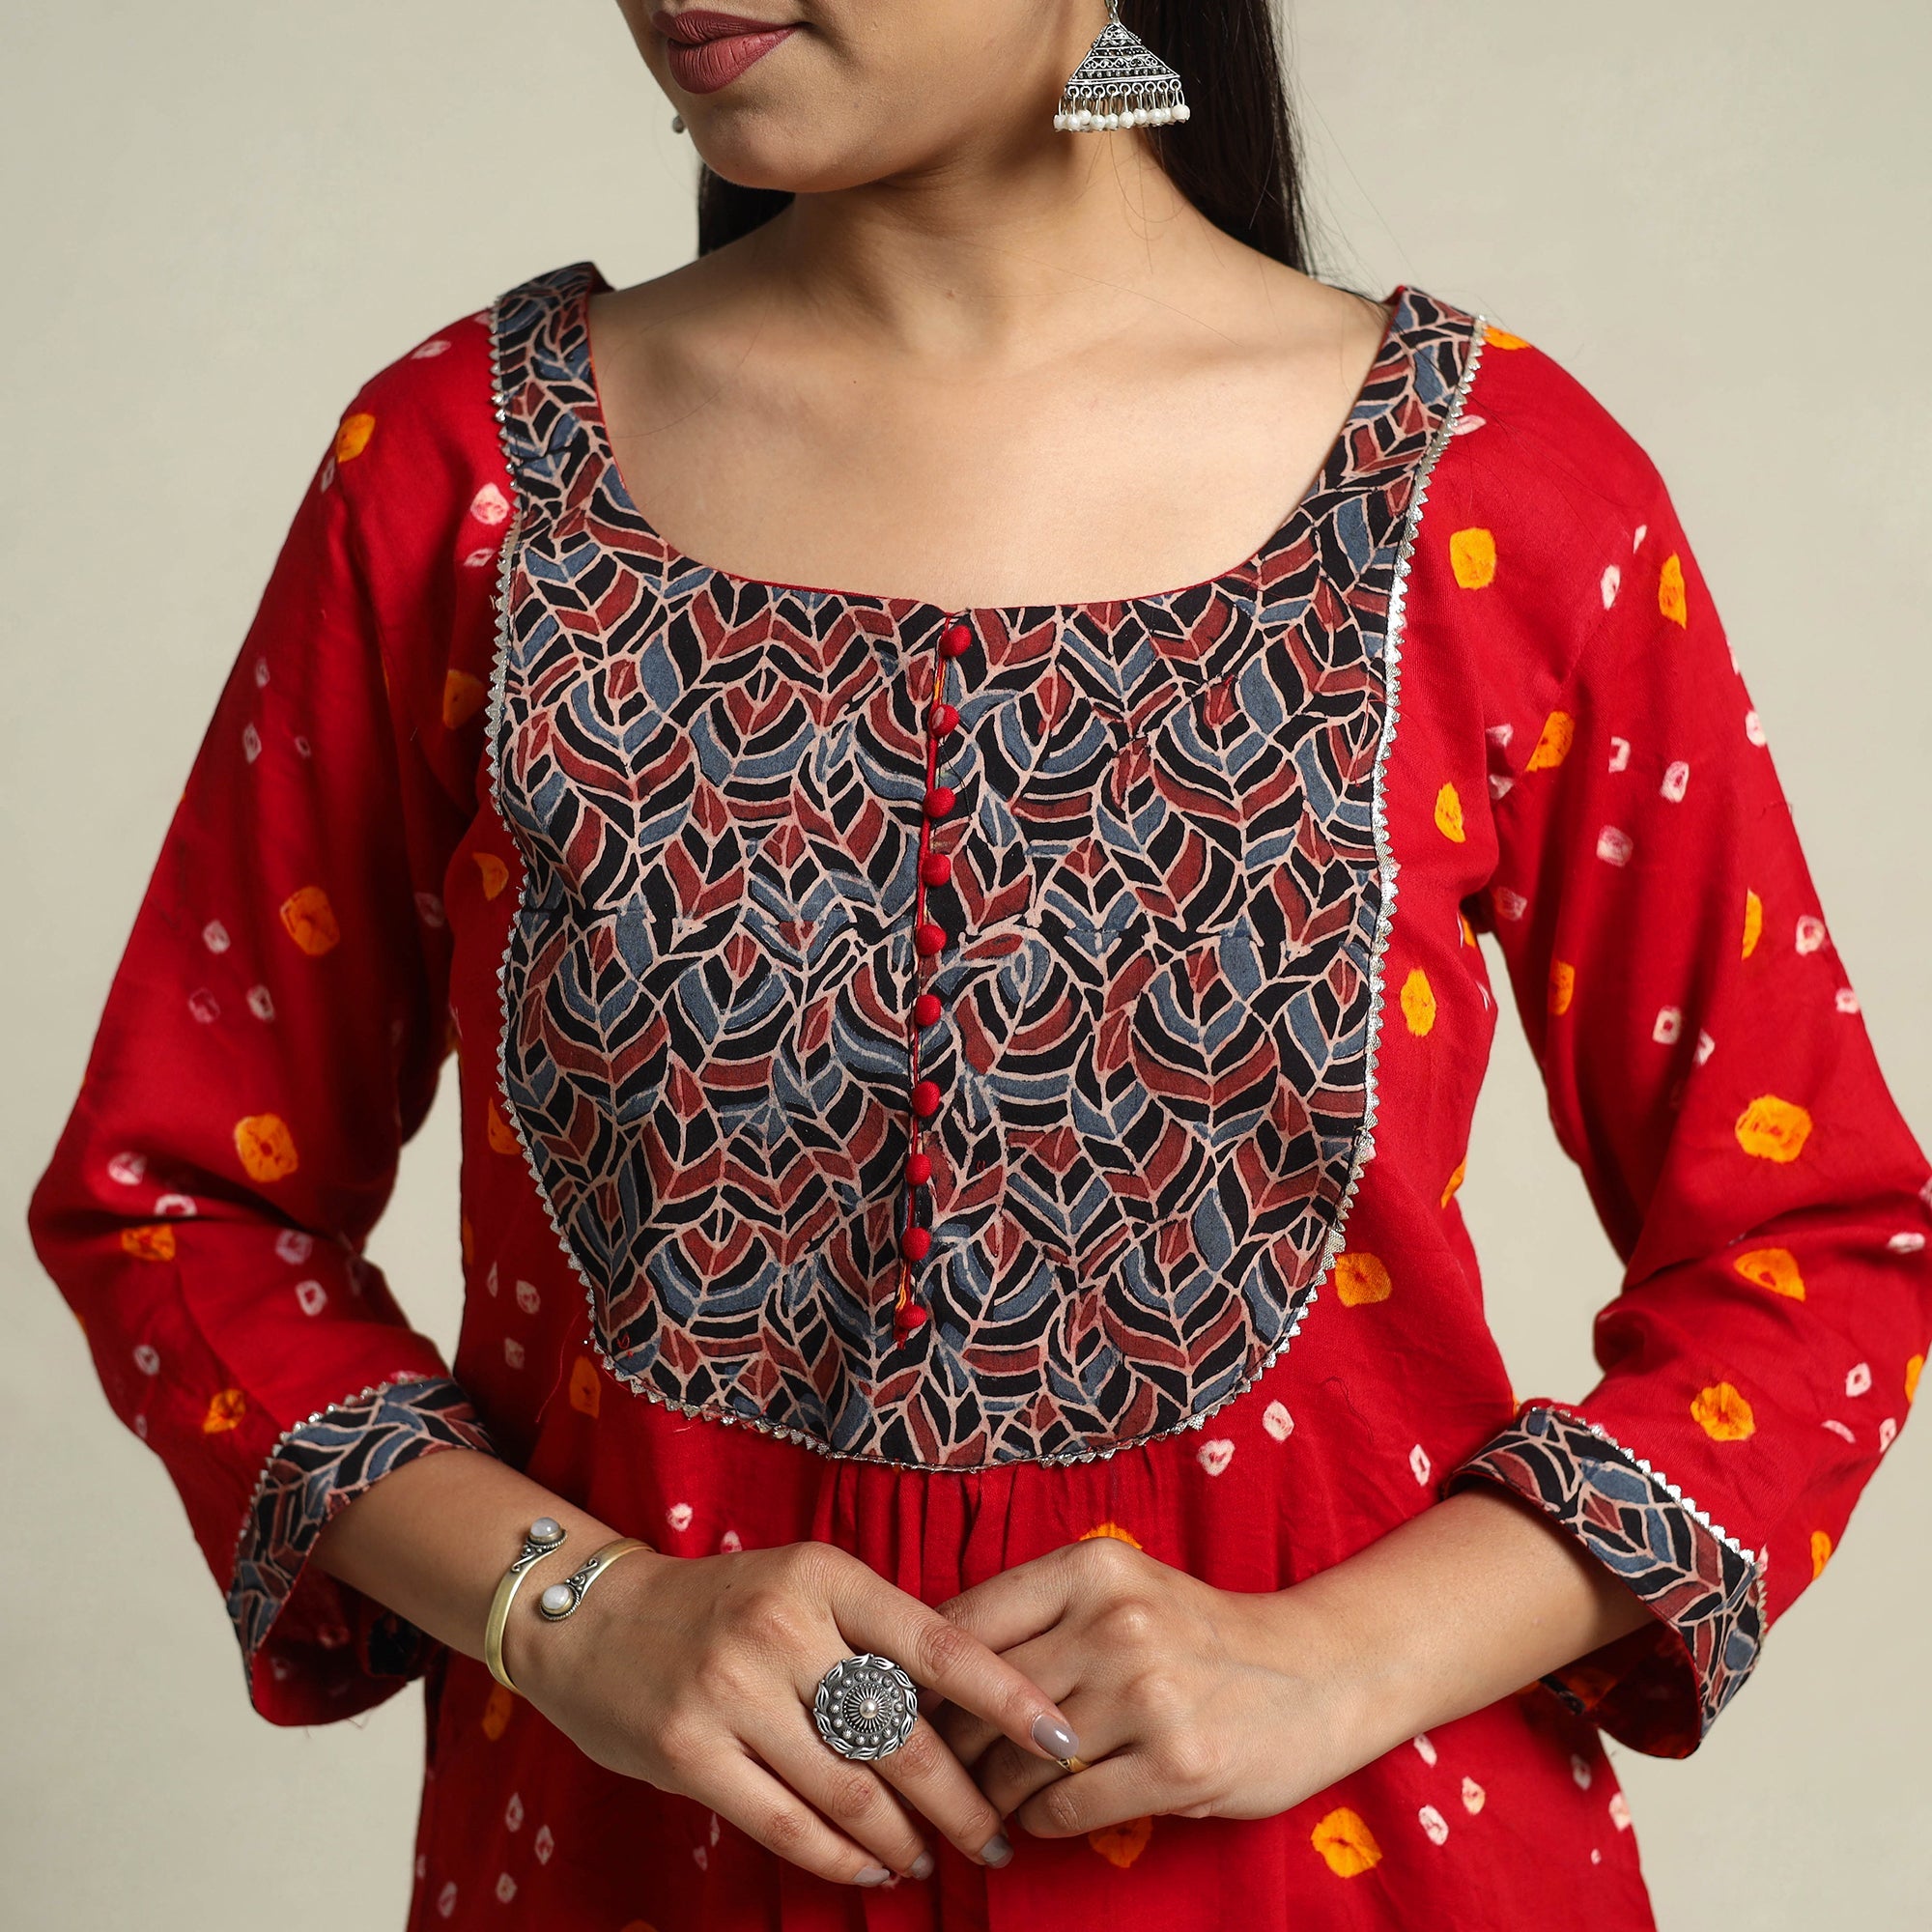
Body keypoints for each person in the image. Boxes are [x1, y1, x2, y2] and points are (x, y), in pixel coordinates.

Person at [28, 2, 1932, 1927]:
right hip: (644, 1875)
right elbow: (178, 1205)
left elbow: (1820, 1250)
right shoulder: (461, 475)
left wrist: (1339, 1658)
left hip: (1340, 1882)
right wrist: (572, 1607)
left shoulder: (1503, 493)